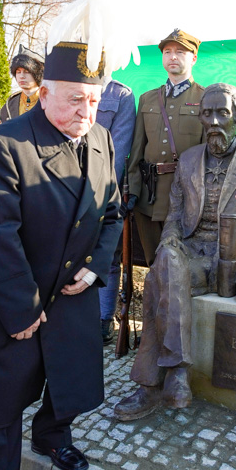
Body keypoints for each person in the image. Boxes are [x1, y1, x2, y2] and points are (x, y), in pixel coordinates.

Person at [0, 41, 122, 470]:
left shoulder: (100, 139)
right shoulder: (7, 143)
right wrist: (21, 308)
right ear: (45, 93)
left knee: (70, 380)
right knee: (1, 402)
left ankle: (53, 436)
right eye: (76, 98)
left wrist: (96, 265)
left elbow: (112, 213)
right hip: (20, 295)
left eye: (94, 99)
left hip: (73, 293)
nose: (87, 110)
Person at [116, 82, 236, 420]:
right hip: (192, 255)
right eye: (207, 113)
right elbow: (175, 215)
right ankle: (175, 373)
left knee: (157, 280)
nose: (213, 121)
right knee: (165, 262)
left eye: (222, 113)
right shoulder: (189, 159)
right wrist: (168, 240)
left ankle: (151, 385)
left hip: (233, 264)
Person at [126, 29, 205, 265]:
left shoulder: (206, 98)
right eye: (168, 51)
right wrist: (132, 190)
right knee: (153, 263)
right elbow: (137, 148)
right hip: (147, 199)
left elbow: (207, 156)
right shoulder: (147, 99)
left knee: (181, 266)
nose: (173, 56)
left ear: (193, 58)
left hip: (184, 198)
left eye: (180, 51)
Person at [96, 77, 136, 344]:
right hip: (63, 188)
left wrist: (103, 192)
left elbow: (119, 149)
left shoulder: (120, 94)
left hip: (103, 189)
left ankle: (103, 319)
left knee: (108, 257)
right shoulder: (66, 83)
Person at [0, 44, 44, 123]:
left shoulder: (48, 101)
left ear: (37, 74)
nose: (21, 76)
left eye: (27, 72)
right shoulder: (10, 104)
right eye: (18, 72)